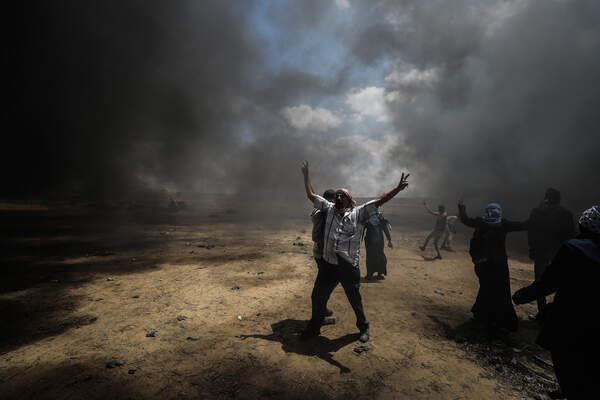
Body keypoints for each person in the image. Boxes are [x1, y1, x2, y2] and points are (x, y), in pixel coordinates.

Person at [300, 161, 409, 343]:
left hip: (348, 266)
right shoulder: (329, 209)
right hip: (328, 264)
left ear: (350, 200)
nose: (339, 197)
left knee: (354, 300)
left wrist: (397, 188)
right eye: (337, 195)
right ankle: (314, 327)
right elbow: (311, 195)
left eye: (343, 195)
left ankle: (364, 326)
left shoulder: (359, 213)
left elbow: (380, 200)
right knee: (318, 296)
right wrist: (306, 175)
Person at [513, 206, 600, 400]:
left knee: (566, 360)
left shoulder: (574, 248)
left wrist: (522, 295)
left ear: (584, 224)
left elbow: (549, 282)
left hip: (571, 318)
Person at [458, 200, 528, 333]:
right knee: (500, 290)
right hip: (497, 264)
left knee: (487, 289)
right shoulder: (503, 224)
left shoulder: (483, 223)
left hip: (485, 264)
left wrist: (462, 208)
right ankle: (497, 319)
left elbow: (466, 220)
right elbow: (523, 225)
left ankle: (485, 316)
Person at [527, 188, 575, 315]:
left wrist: (532, 248)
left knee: (539, 282)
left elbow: (531, 232)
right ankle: (558, 313)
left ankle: (542, 312)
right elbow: (571, 235)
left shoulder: (537, 211)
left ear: (546, 198)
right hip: (559, 253)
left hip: (541, 252)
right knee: (561, 282)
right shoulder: (566, 213)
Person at [310, 188, 336, 321]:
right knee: (325, 287)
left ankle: (323, 310)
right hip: (322, 254)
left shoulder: (318, 210)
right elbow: (319, 236)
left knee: (325, 285)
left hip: (319, 253)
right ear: (331, 200)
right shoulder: (324, 213)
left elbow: (313, 196)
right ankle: (320, 315)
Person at [364, 209, 392, 280]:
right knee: (378, 256)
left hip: (372, 241)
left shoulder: (368, 219)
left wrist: (389, 240)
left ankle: (370, 275)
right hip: (376, 241)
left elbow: (361, 230)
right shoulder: (380, 219)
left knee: (372, 257)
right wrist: (389, 240)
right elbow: (386, 230)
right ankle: (377, 274)